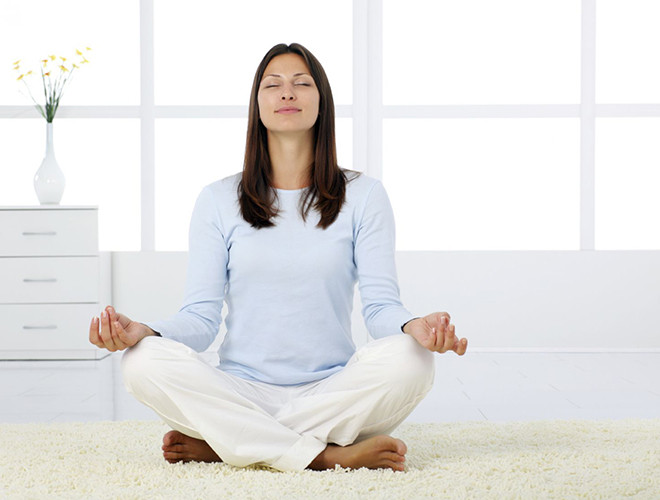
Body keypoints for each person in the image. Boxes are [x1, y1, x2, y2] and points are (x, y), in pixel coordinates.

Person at [89, 42, 468, 472]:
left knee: (413, 360)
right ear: (258, 104)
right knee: (142, 361)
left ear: (322, 102)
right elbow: (200, 318)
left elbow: (381, 308)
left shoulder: (365, 195)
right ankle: (323, 455)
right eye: (273, 84)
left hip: (331, 392)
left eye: (301, 83)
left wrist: (414, 326)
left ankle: (233, 443)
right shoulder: (217, 199)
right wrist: (146, 331)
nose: (287, 92)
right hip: (242, 391)